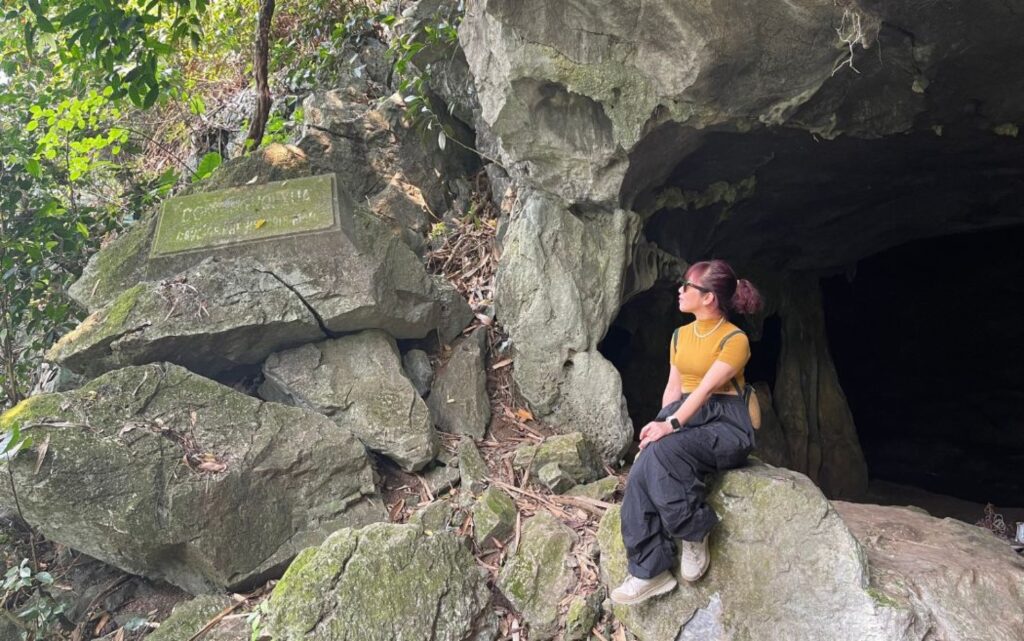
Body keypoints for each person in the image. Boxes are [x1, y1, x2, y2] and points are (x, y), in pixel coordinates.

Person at [610, 259, 763, 606]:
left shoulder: (735, 339)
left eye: (687, 286)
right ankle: (649, 570)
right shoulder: (680, 336)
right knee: (644, 464)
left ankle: (694, 531)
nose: (679, 291)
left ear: (708, 298)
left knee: (664, 451)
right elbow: (673, 390)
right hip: (686, 414)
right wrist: (659, 424)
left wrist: (671, 425)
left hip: (726, 423)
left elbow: (706, 390)